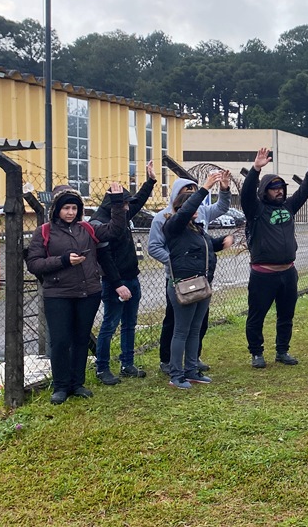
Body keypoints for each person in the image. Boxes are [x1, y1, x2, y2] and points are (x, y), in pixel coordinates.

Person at [26, 183, 127, 405]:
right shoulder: (43, 232)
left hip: (88, 293)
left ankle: (77, 383)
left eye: (74, 208)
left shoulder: (88, 229)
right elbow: (34, 264)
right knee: (61, 341)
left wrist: (117, 202)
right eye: (66, 208)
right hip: (58, 294)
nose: (70, 212)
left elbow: (115, 230)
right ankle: (61, 386)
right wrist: (64, 260)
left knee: (81, 339)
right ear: (57, 210)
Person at [241, 146, 308, 368]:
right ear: (265, 191)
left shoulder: (288, 206)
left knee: (286, 315)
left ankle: (282, 351)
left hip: (288, 273)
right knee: (257, 316)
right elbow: (246, 194)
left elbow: (304, 190)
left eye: (281, 187)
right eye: (274, 188)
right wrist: (256, 169)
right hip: (263, 275)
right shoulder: (256, 210)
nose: (279, 191)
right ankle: (256, 353)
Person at [149, 171, 232, 376]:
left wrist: (224, 189)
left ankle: (192, 364)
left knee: (196, 326)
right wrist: (176, 263)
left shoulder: (196, 221)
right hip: (179, 280)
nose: (196, 206)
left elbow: (199, 244)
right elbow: (156, 247)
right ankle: (170, 364)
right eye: (189, 195)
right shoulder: (169, 221)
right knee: (176, 325)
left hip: (202, 279)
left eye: (195, 194)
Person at [92, 160, 157, 385]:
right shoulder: (99, 223)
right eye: (124, 203)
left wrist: (150, 181)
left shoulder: (121, 216)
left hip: (132, 277)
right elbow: (105, 259)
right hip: (114, 283)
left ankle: (127, 363)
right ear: (114, 203)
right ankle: (102, 368)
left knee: (130, 323)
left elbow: (137, 202)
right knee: (109, 325)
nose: (129, 207)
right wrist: (118, 283)